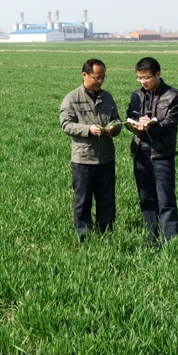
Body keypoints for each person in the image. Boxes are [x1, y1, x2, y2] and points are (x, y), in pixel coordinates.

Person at [60, 58, 122, 241]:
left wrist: (114, 128)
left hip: (106, 158)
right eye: (97, 77)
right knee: (83, 201)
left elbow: (117, 120)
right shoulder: (72, 98)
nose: (100, 81)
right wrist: (88, 130)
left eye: (103, 77)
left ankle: (107, 234)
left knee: (107, 200)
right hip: (83, 159)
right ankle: (84, 236)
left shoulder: (107, 97)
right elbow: (65, 124)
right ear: (84, 75)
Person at [124, 57, 178, 245]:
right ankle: (152, 237)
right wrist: (134, 124)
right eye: (139, 78)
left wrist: (149, 126)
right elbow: (129, 116)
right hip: (140, 153)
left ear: (158, 74)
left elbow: (170, 122)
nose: (142, 81)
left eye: (146, 77)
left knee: (166, 199)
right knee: (146, 198)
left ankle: (170, 240)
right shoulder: (136, 96)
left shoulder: (173, 95)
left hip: (161, 154)